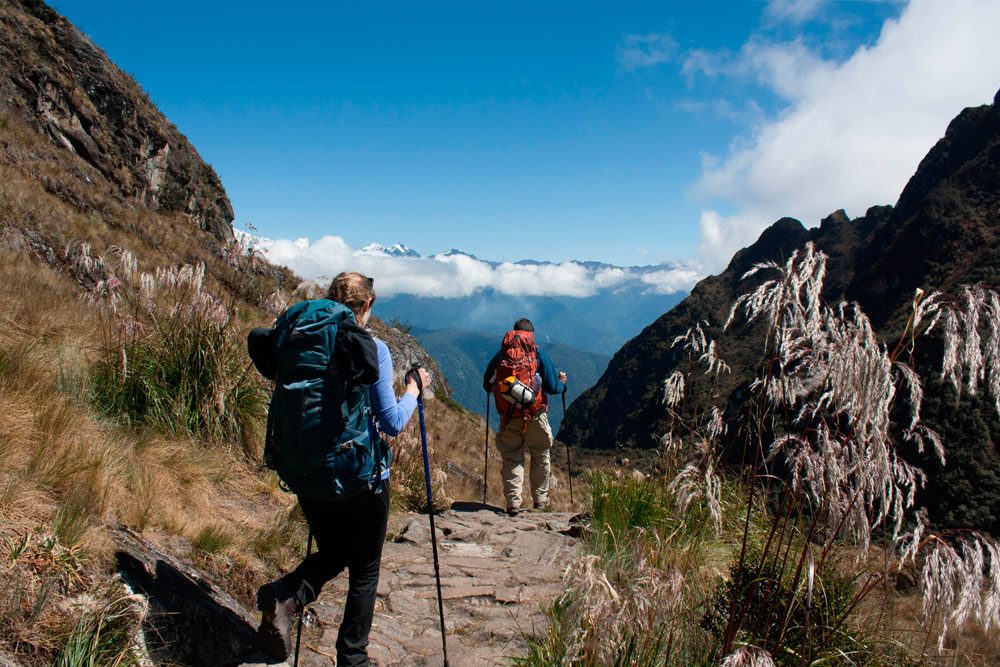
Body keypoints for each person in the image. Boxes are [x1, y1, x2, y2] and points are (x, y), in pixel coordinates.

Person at [256, 271, 429, 666]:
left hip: (305, 474)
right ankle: (353, 658)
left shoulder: (299, 341)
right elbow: (389, 422)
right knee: (365, 570)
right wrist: (414, 392)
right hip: (358, 479)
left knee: (334, 551)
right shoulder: (372, 346)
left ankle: (285, 597)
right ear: (367, 305)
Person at [483, 318, 567, 517]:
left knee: (512, 458)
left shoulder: (502, 355)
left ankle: (513, 503)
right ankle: (540, 502)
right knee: (540, 456)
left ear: (513, 333)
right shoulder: (537, 354)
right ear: (532, 335)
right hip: (536, 414)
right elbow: (554, 388)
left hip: (509, 416)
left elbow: (487, 384)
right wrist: (563, 383)